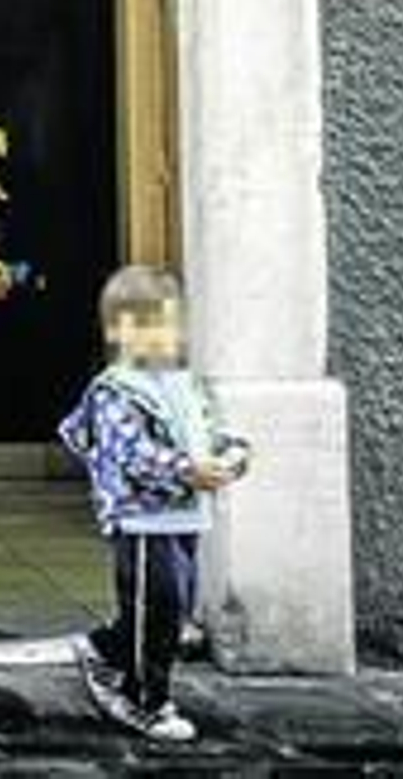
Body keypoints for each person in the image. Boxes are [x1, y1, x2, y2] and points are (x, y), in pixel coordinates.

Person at [58, 265, 251, 742]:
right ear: (116, 331)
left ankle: (103, 648)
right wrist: (188, 469)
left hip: (186, 515)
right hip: (141, 519)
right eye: (144, 326)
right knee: (156, 606)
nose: (159, 336)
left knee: (173, 605)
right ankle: (148, 700)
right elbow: (133, 455)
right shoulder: (115, 390)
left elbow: (208, 433)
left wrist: (234, 453)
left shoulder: (185, 384)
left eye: (167, 324)